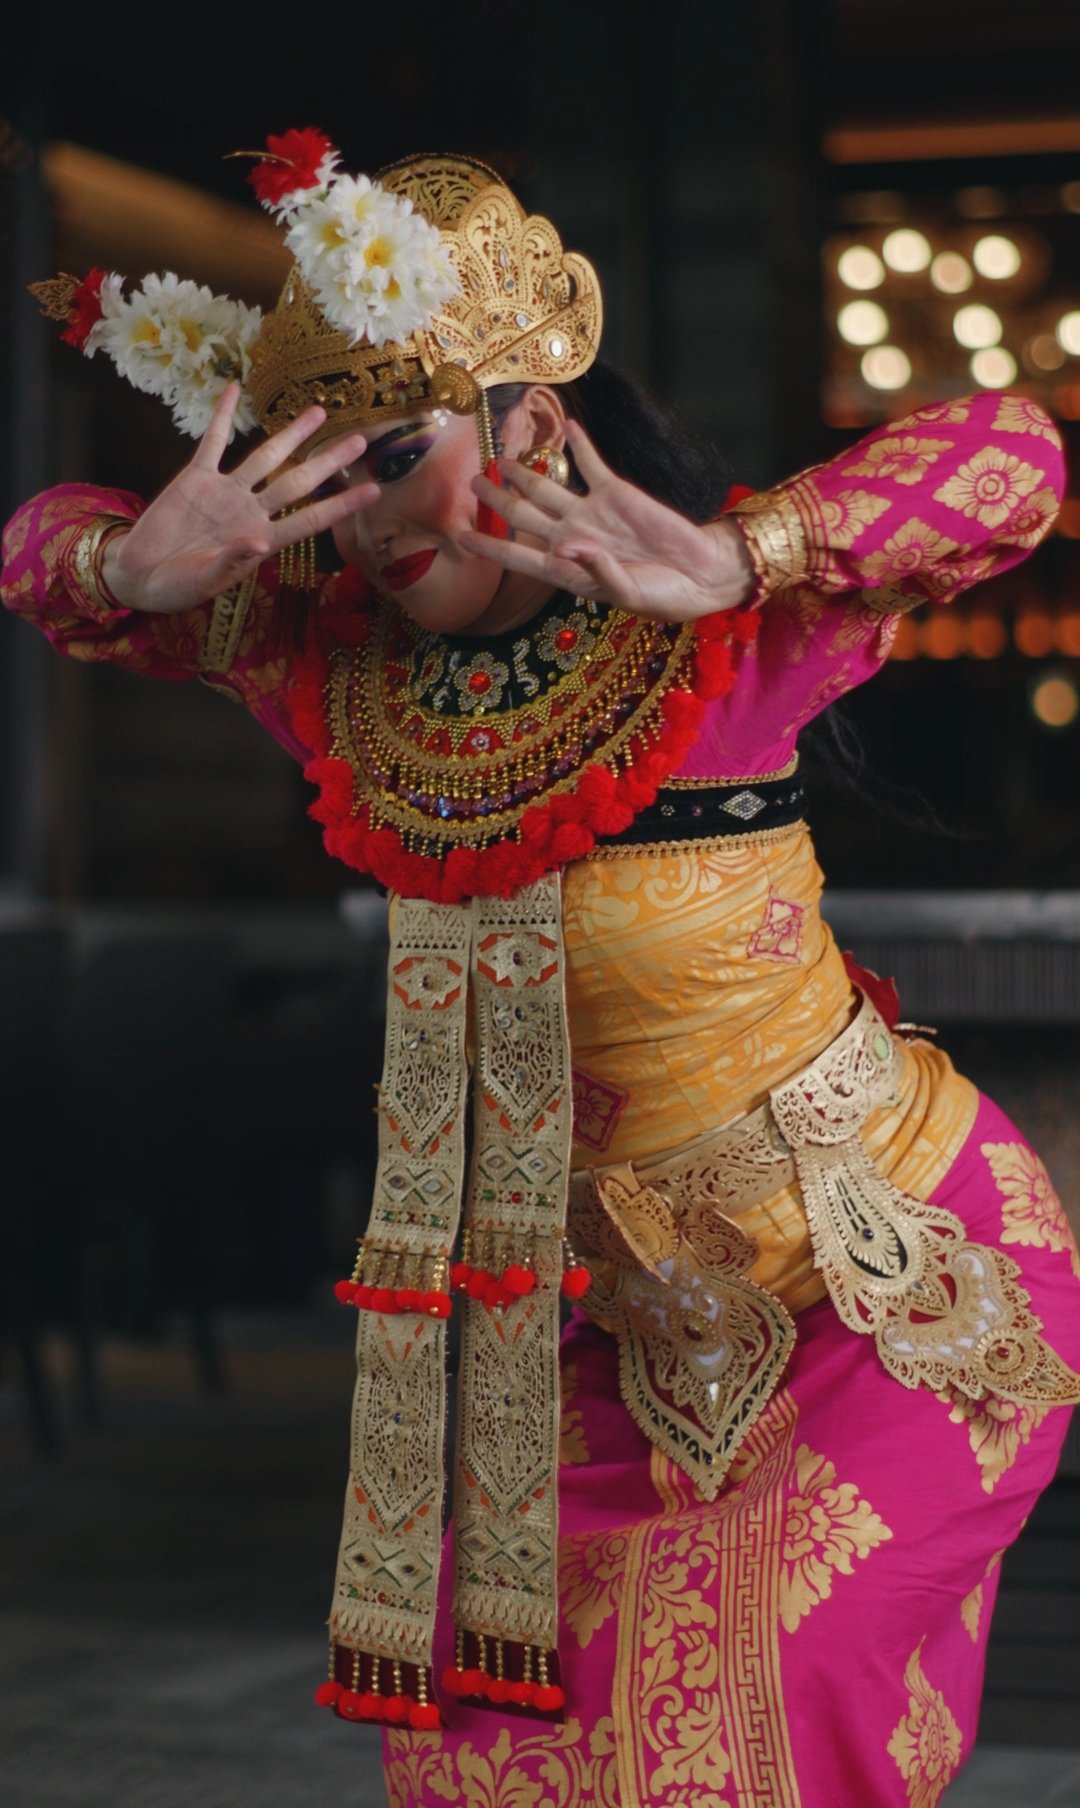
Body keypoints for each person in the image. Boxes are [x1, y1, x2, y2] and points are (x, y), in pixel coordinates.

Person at [4, 133, 1079, 1808]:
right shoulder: (323, 667)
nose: (362, 523)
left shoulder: (715, 612)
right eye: (327, 474)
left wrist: (751, 558)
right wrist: (132, 567)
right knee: (492, 1751)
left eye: (401, 453)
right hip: (613, 1346)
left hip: (889, 1289)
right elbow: (38, 547)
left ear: (536, 423)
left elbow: (1013, 451)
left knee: (762, 1708)